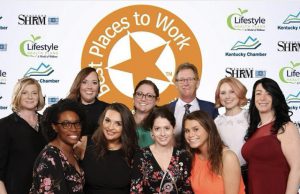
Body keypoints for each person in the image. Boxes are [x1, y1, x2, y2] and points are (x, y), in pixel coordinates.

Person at [241, 77, 300, 194]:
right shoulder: (253, 130)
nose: (262, 98)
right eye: (258, 94)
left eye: (268, 93)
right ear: (254, 98)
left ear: (275, 98)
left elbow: (297, 168)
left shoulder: (286, 127)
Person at [130, 107, 193, 193]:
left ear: (173, 129)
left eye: (166, 128)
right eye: (157, 129)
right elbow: (135, 191)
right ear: (151, 131)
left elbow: (187, 189)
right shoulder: (140, 156)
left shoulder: (183, 155)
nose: (162, 133)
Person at [0, 77, 46, 194]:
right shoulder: (5, 125)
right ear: (18, 96)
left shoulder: (47, 123)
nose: (30, 97)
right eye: (24, 93)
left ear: (39, 96)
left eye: (34, 93)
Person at [30, 99, 86, 193]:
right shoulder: (50, 157)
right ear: (54, 126)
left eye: (77, 123)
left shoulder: (73, 152)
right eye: (66, 124)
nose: (74, 129)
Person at [80, 103, 137, 194]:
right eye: (107, 120)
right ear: (102, 121)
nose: (110, 127)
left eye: (118, 124)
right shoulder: (84, 143)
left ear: (125, 127)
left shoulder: (134, 152)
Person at [184, 110, 245, 194]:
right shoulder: (193, 157)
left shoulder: (227, 158)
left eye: (196, 129)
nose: (190, 135)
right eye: (187, 131)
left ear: (209, 129)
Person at [165, 62, 219, 146]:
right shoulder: (165, 110)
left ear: (197, 82)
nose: (186, 83)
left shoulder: (211, 108)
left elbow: (216, 138)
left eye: (190, 79)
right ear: (176, 83)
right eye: (182, 80)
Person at [214, 77, 249, 191]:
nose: (227, 96)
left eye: (232, 91)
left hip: (250, 171)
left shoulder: (251, 117)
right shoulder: (217, 122)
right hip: (226, 172)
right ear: (219, 97)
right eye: (223, 93)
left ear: (239, 92)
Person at [67, 67, 109, 136]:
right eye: (84, 82)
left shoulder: (107, 109)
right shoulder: (67, 109)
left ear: (98, 86)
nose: (89, 87)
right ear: (78, 85)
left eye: (94, 83)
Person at [133, 79, 159, 148]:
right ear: (134, 97)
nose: (143, 99)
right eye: (139, 94)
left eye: (149, 96)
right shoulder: (124, 120)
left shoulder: (161, 124)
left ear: (156, 100)